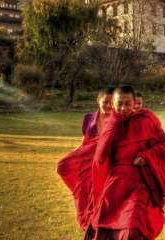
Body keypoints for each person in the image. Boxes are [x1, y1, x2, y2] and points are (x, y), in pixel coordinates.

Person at [87, 85, 165, 239]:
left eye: (128, 104)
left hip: (139, 181)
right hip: (116, 182)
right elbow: (100, 157)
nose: (124, 108)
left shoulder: (146, 120)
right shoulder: (109, 124)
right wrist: (114, 125)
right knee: (105, 221)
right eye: (120, 104)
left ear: (134, 103)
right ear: (113, 104)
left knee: (133, 223)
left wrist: (147, 155)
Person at [58, 88, 114, 231]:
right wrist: (73, 154)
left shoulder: (118, 119)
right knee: (79, 183)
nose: (108, 105)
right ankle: (92, 215)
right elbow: (85, 141)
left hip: (107, 160)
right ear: (98, 101)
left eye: (111, 102)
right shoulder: (89, 119)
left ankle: (106, 213)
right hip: (88, 159)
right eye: (105, 102)